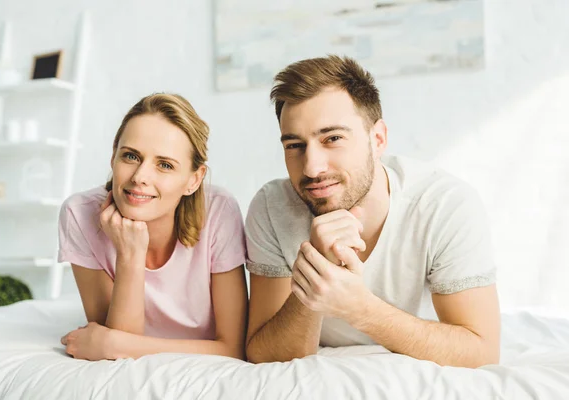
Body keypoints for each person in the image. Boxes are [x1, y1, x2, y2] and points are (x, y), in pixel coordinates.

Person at [244, 55, 500, 367]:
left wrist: (360, 309)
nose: (311, 168)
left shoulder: (443, 204)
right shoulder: (272, 207)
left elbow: (481, 352)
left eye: (333, 138)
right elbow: (264, 353)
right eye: (294, 145)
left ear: (377, 139)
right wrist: (318, 271)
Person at [58, 93, 248, 361]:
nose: (140, 177)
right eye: (131, 156)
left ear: (194, 180)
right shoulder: (79, 213)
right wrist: (130, 255)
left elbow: (232, 348)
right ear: (113, 156)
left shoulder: (218, 211)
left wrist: (116, 344)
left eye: (165, 165)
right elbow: (114, 353)